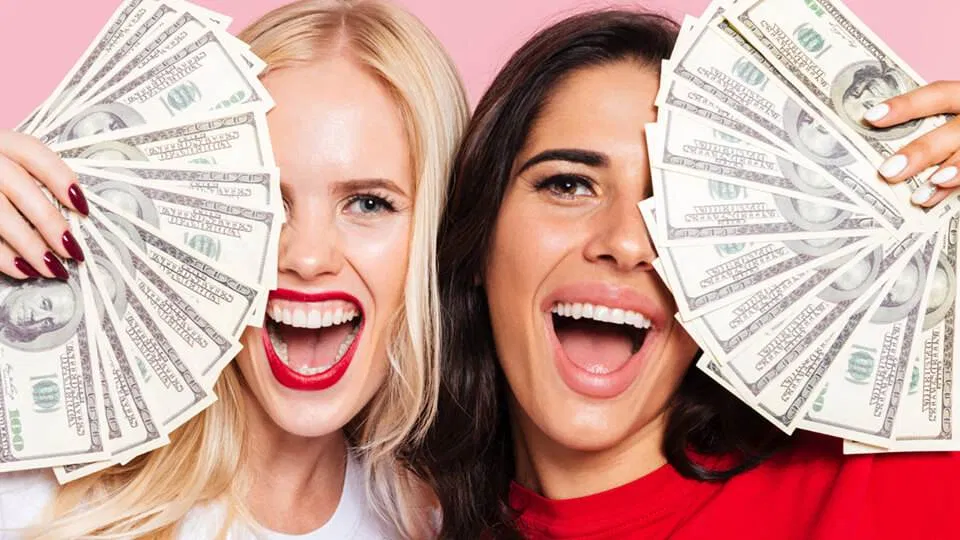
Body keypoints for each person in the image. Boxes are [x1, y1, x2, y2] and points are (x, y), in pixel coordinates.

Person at [410, 9, 960, 539]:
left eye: (673, 200)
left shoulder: (890, 484)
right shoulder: (388, 518)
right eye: (569, 184)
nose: (626, 243)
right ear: (480, 234)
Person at [0, 0, 467, 537]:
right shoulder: (34, 493)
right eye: (269, 200)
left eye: (368, 203)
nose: (308, 258)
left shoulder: (432, 524)